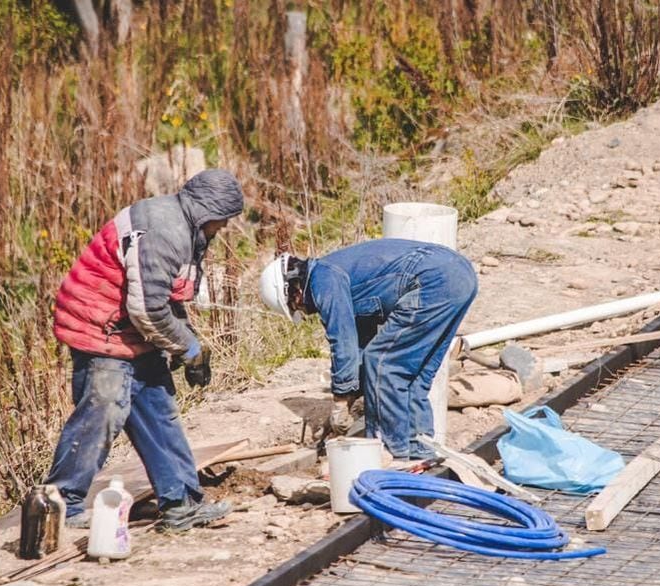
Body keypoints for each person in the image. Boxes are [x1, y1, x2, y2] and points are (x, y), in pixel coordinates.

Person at [46, 169, 243, 531]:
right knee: (103, 412)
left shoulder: (187, 229)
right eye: (222, 221)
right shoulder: (164, 231)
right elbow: (148, 309)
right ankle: (60, 505)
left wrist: (187, 338)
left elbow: (165, 297)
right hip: (99, 326)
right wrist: (188, 348)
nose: (223, 229)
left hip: (132, 330)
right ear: (207, 212)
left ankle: (181, 503)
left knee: (158, 412)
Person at [259, 239, 477, 460]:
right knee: (413, 373)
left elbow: (342, 342)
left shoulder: (323, 281)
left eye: (297, 307)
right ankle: (419, 449)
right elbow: (359, 347)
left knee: (384, 363)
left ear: (294, 291)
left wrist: (340, 401)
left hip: (433, 280)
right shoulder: (345, 273)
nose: (305, 311)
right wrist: (349, 394)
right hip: (458, 274)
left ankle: (390, 452)